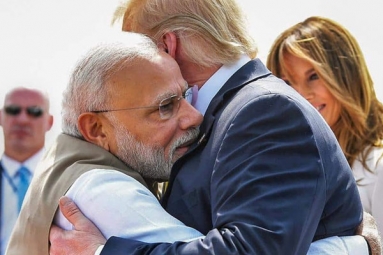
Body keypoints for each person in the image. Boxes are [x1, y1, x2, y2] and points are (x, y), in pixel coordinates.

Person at [49, 0, 382, 254]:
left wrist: (103, 250)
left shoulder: (265, 112)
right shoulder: (230, 114)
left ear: (167, 46)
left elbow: (251, 249)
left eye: (138, 49)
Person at [4, 32, 205, 255]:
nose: (194, 116)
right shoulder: (105, 191)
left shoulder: (65, 166)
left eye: (186, 95)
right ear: (96, 129)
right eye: (165, 106)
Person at [266, 16, 383, 243]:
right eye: (287, 83)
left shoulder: (378, 170)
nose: (300, 96)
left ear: (347, 76)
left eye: (313, 76)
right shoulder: (288, 169)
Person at [0, 87, 53, 255]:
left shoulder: (68, 179)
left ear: (49, 122)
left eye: (34, 112)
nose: (22, 119)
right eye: (13, 110)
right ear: (1, 116)